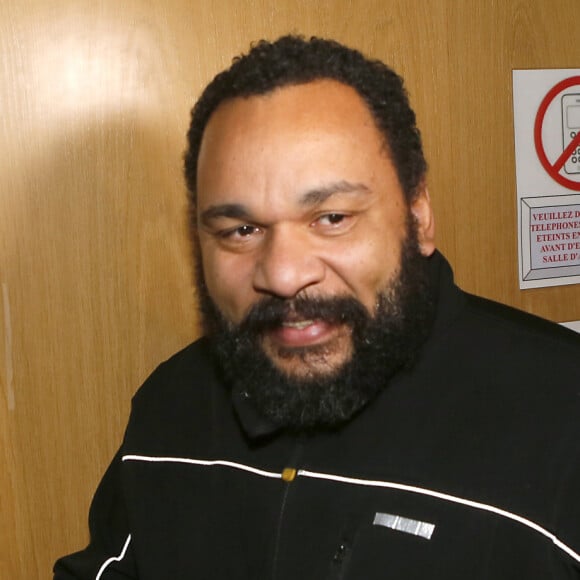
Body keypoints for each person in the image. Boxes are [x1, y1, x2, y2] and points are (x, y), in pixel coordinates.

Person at [54, 35, 580, 579]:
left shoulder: (566, 418)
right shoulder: (173, 409)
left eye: (332, 218)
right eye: (242, 229)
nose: (283, 274)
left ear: (418, 214)